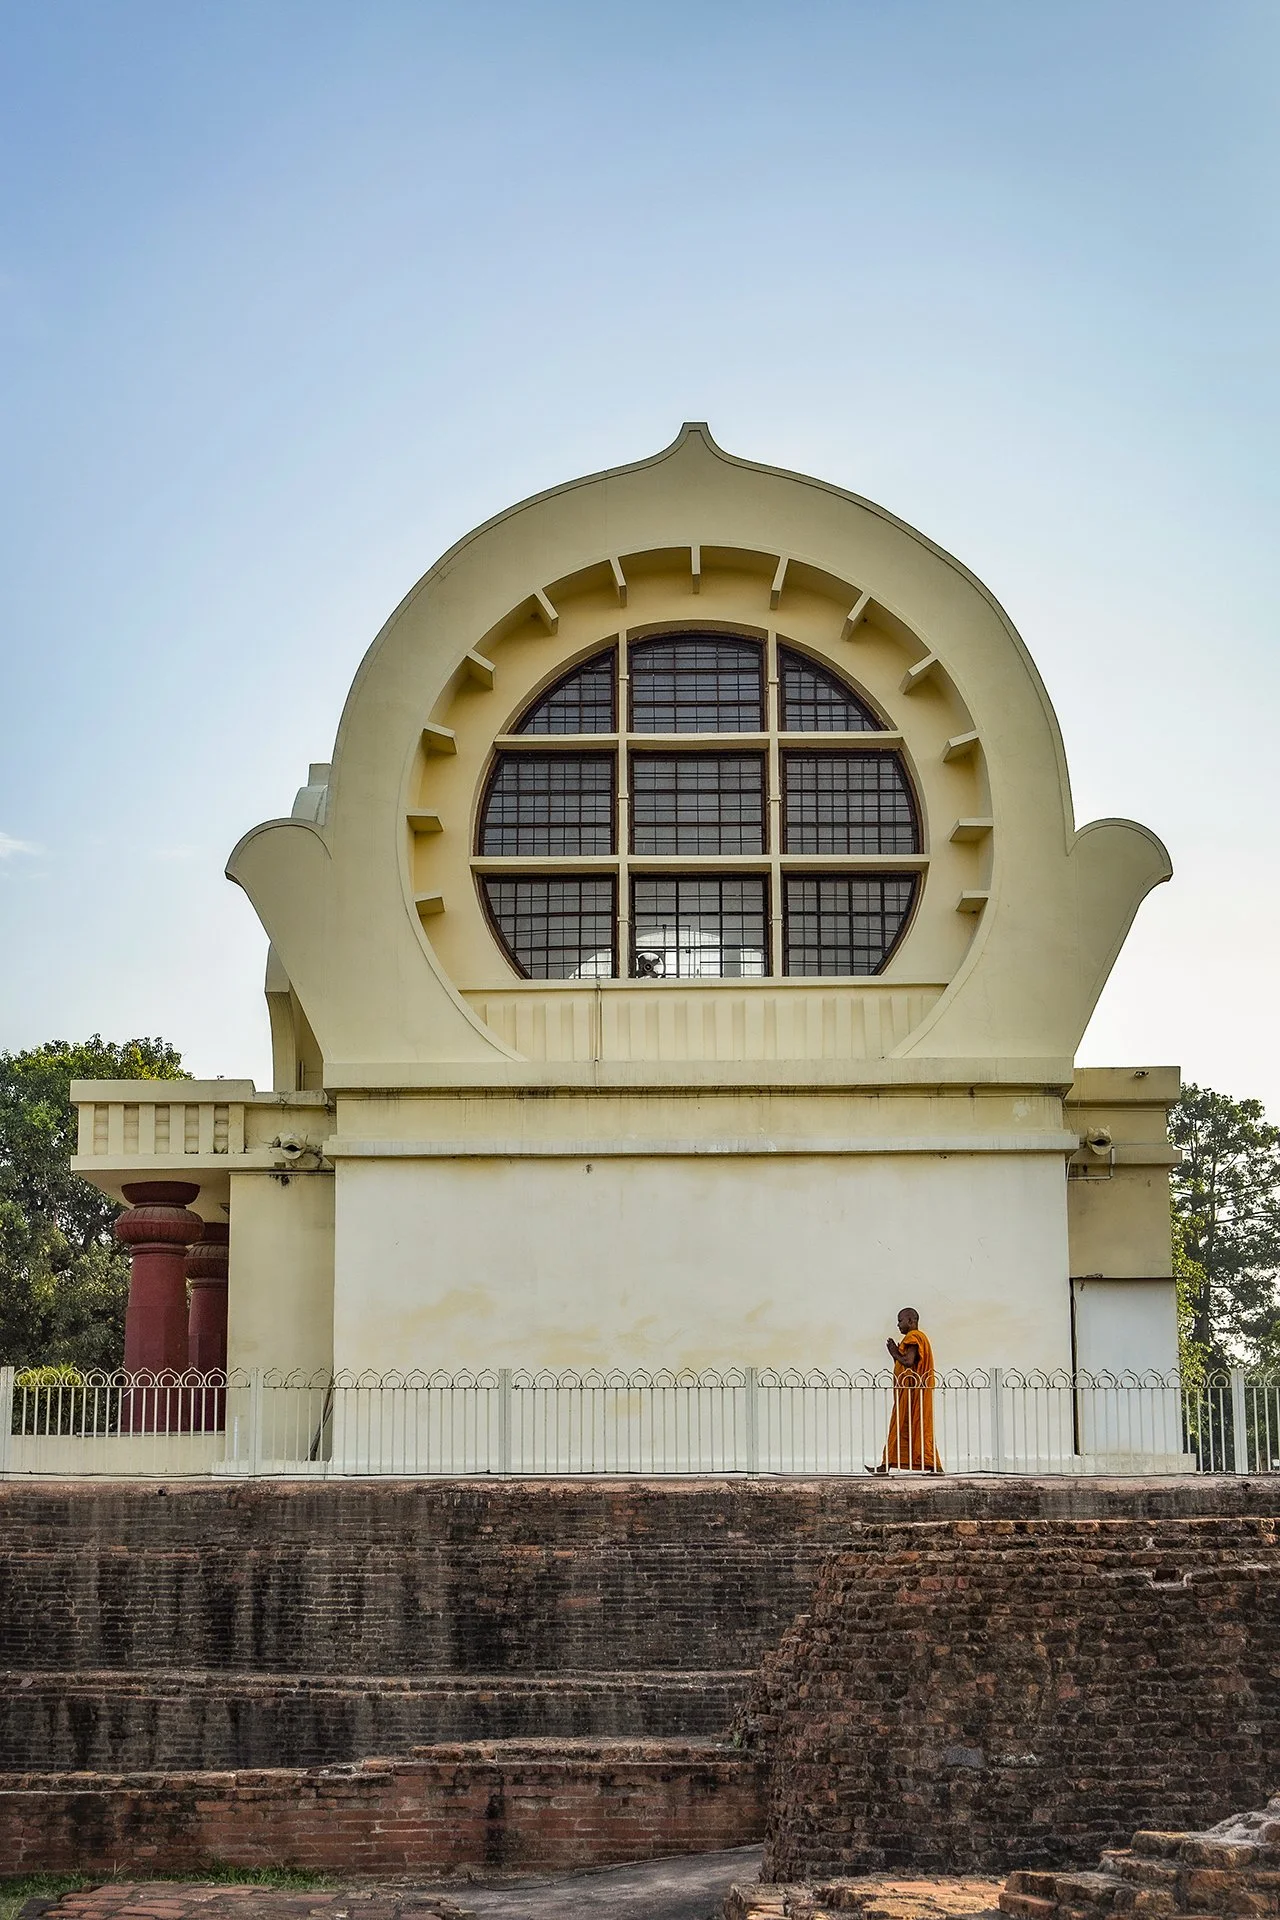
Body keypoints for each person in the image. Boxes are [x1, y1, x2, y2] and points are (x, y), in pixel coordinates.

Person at [868, 1307, 943, 1474]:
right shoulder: (916, 1337)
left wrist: (894, 1352)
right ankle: (887, 1465)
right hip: (909, 1391)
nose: (898, 1324)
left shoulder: (914, 1337)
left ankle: (933, 1466)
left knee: (914, 1426)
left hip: (914, 1392)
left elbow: (908, 1361)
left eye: (900, 1320)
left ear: (911, 1321)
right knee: (908, 1428)